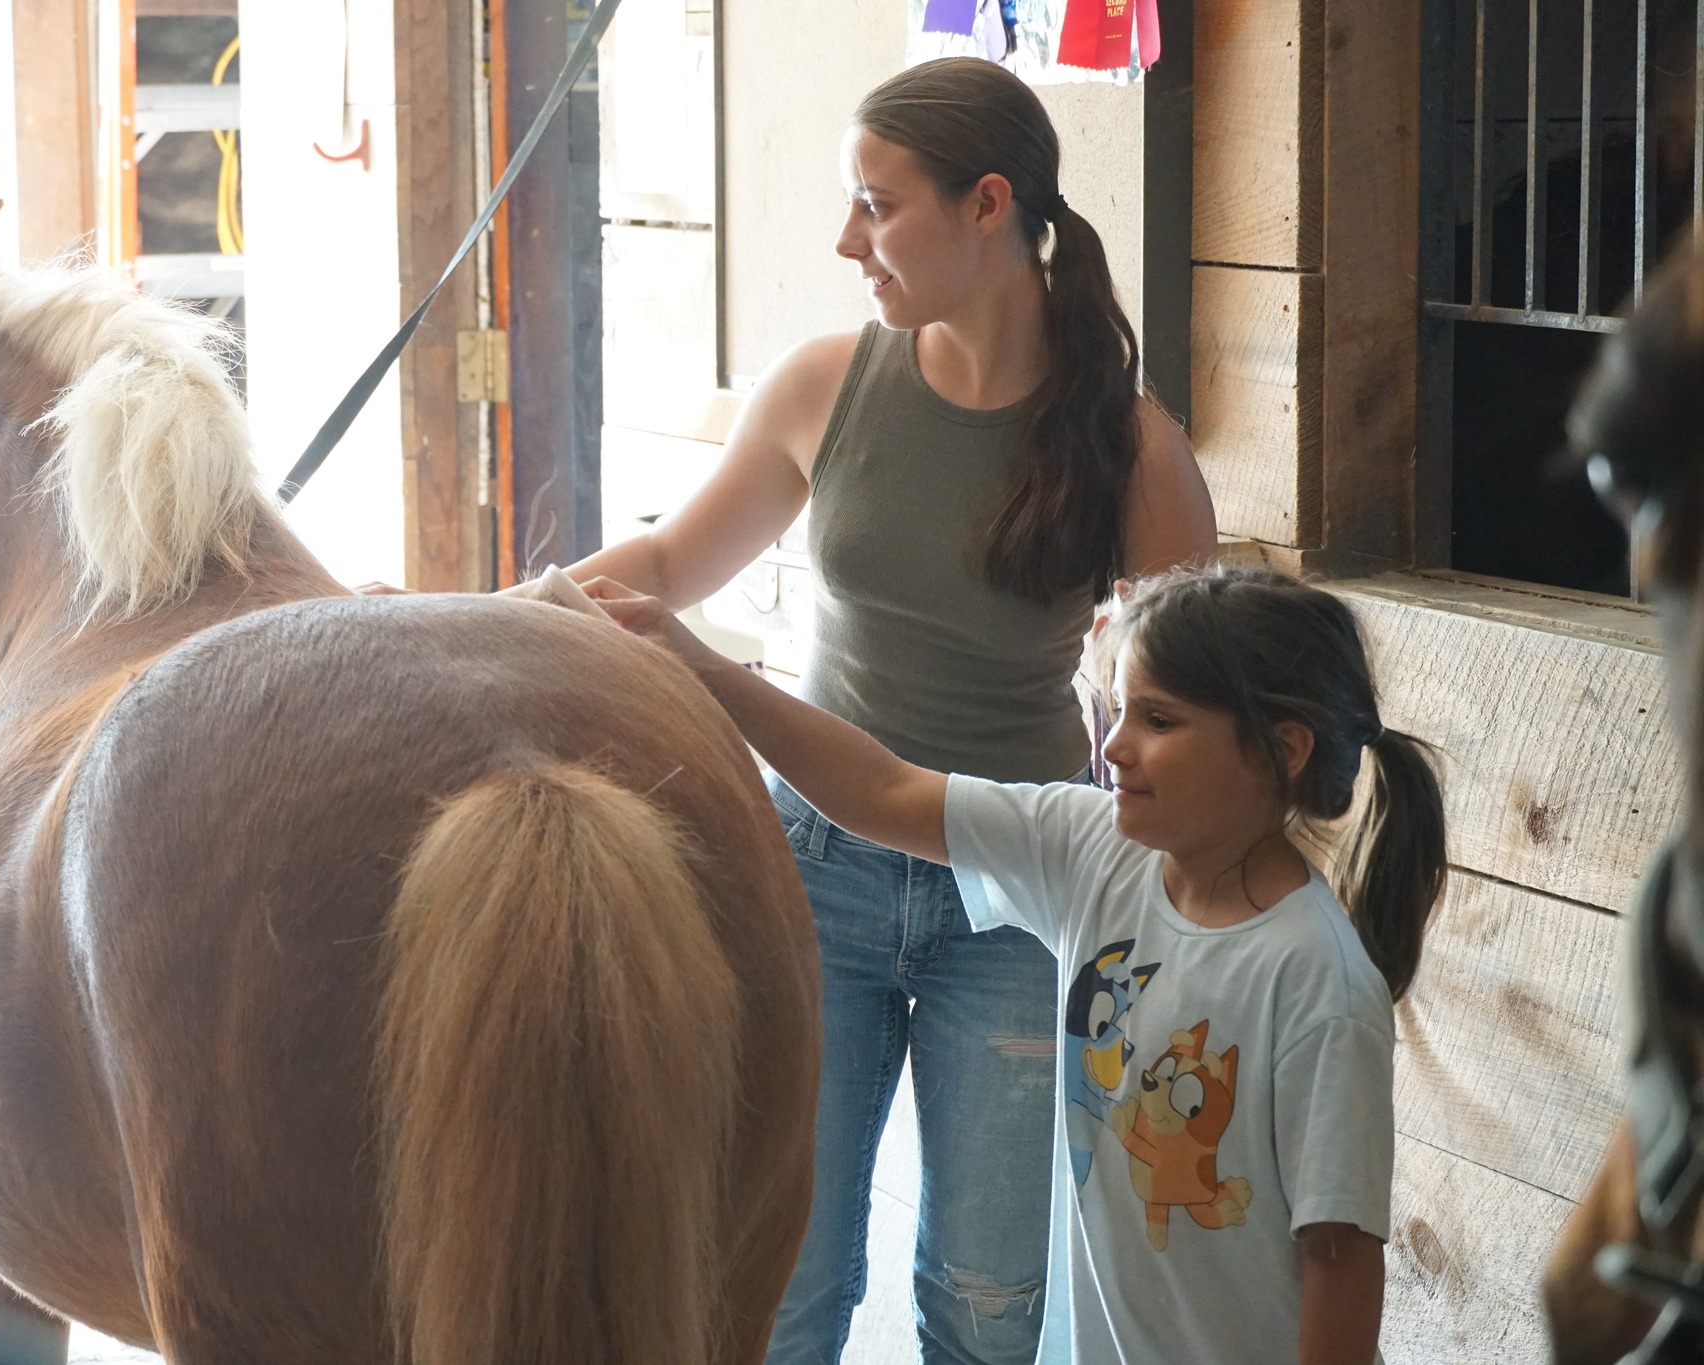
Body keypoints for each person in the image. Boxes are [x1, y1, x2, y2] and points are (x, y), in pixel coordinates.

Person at [557, 56, 1215, 1362]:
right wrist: (487, 610)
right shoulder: (825, 384)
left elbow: (1204, 699)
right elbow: (674, 568)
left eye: (876, 204)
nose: (846, 240)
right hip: (807, 873)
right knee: (785, 1288)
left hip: (1019, 901)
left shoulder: (1132, 448)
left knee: (987, 1301)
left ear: (985, 206)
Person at [587, 565, 1447, 1365]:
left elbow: (1340, 1259)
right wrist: (695, 661)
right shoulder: (1092, 851)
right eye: (1117, 710)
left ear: (1281, 749)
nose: (1113, 747)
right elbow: (883, 791)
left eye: (1159, 720)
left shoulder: (1317, 985)